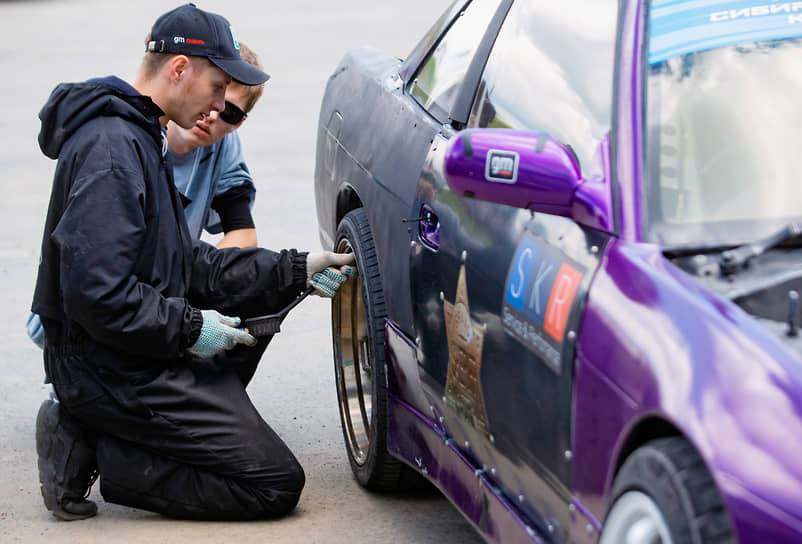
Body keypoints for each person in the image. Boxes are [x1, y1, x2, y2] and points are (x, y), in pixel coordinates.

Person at [32, 3, 354, 522]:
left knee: (258, 300)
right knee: (273, 484)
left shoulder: (140, 134)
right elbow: (96, 294)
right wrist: (189, 328)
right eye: (218, 86)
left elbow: (184, 260)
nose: (221, 102)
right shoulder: (112, 149)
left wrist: (295, 269)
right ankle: (99, 445)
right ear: (180, 69)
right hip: (107, 368)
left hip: (131, 350)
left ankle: (152, 424)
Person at [25, 42, 264, 350]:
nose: (213, 114)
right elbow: (95, 281)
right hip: (102, 305)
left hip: (163, 291)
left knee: (254, 290)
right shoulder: (125, 142)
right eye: (212, 95)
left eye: (229, 112)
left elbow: (243, 234)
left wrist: (193, 275)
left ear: (239, 123)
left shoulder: (222, 148)